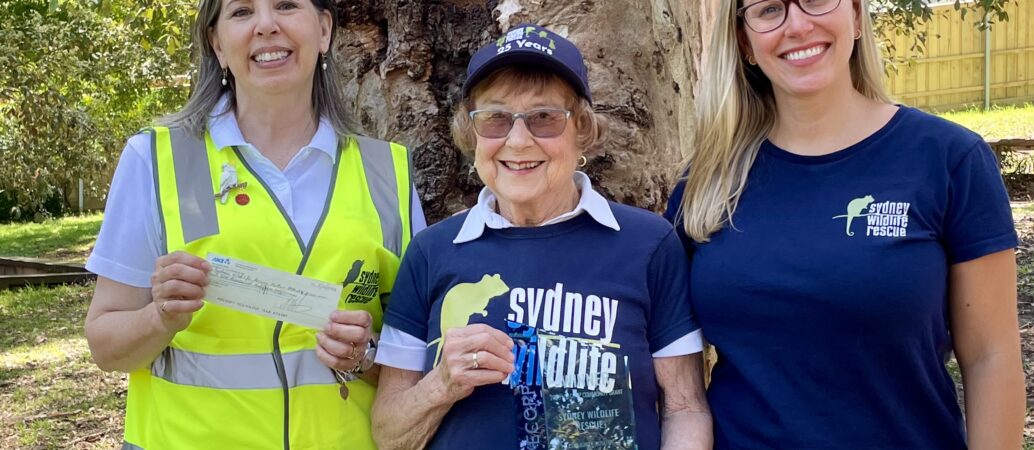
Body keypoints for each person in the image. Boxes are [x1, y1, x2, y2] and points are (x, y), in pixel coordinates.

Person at [665, 0, 1026, 448]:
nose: (797, 25)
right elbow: (672, 368)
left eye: (816, 0)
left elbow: (991, 356)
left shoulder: (949, 159)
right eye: (769, 9)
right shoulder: (706, 183)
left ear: (855, 16)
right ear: (745, 42)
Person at [83, 0, 425, 448]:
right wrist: (158, 318)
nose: (266, 26)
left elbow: (417, 364)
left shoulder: (388, 172)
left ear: (324, 31)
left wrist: (366, 354)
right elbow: (105, 347)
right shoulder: (155, 159)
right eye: (242, 11)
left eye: (286, 6)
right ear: (217, 43)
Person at [370, 23, 712, 450]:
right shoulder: (431, 252)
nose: (517, 140)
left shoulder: (647, 244)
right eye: (494, 119)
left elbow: (685, 407)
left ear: (582, 129)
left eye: (544, 118)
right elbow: (388, 434)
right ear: (470, 134)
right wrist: (441, 384)